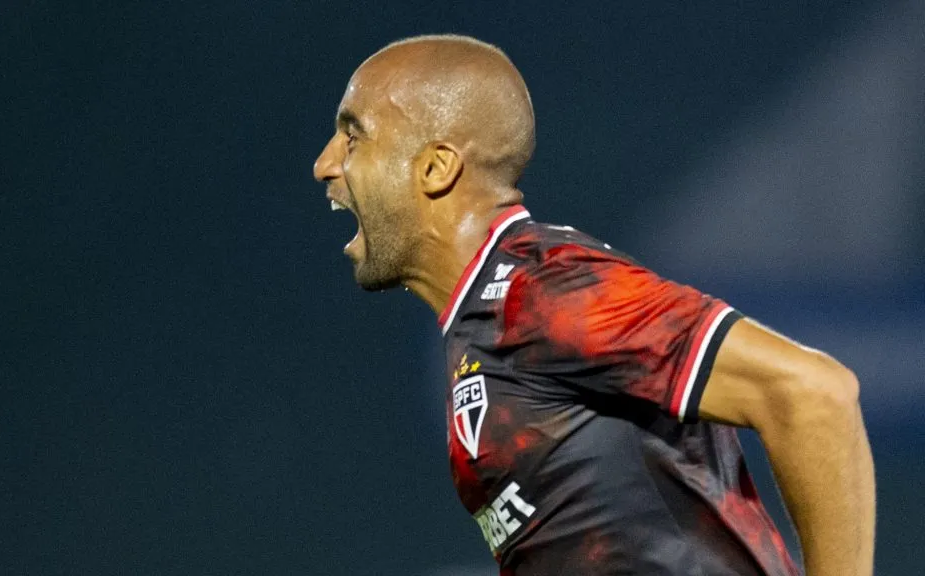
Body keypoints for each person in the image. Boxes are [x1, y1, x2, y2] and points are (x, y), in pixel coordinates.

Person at [313, 34, 875, 576]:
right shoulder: (485, 317)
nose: (325, 165)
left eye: (353, 137)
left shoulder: (544, 291)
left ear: (436, 167)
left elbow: (814, 394)